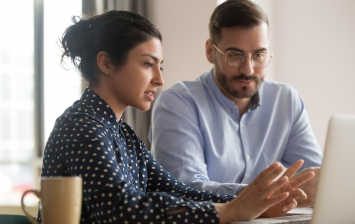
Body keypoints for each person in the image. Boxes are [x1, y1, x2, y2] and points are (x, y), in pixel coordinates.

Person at [38, 10, 314, 224]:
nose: (159, 79)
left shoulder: (121, 133)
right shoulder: (82, 125)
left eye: (160, 66)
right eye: (148, 64)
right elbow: (120, 211)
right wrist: (232, 210)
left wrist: (253, 201)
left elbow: (179, 191)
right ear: (106, 63)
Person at [149, 0, 322, 208]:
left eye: (259, 55)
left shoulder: (286, 100)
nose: (248, 69)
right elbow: (185, 190)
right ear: (210, 52)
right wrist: (262, 196)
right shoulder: (177, 104)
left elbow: (316, 180)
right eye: (235, 55)